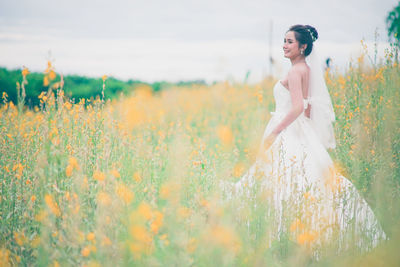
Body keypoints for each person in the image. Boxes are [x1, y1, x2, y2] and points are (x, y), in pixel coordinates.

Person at [220, 24, 387, 256]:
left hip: (287, 130)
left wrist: (275, 131)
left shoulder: (295, 72)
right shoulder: (306, 69)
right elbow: (308, 109)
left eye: (290, 42)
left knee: (279, 181)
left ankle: (276, 236)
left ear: (303, 46)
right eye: (284, 40)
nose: (284, 45)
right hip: (299, 130)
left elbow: (298, 106)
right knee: (301, 179)